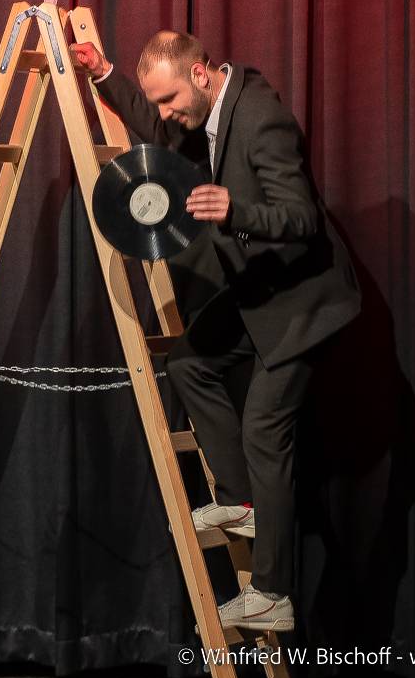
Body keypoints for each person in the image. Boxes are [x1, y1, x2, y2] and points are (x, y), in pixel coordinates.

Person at [70, 32, 360, 632]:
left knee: (264, 431)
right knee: (189, 364)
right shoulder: (202, 111)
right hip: (260, 291)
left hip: (304, 304)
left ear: (201, 73)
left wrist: (236, 211)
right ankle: (242, 500)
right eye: (159, 102)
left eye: (171, 98)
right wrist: (103, 73)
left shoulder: (261, 117)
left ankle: (273, 595)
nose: (166, 113)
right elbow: (159, 136)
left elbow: (302, 216)